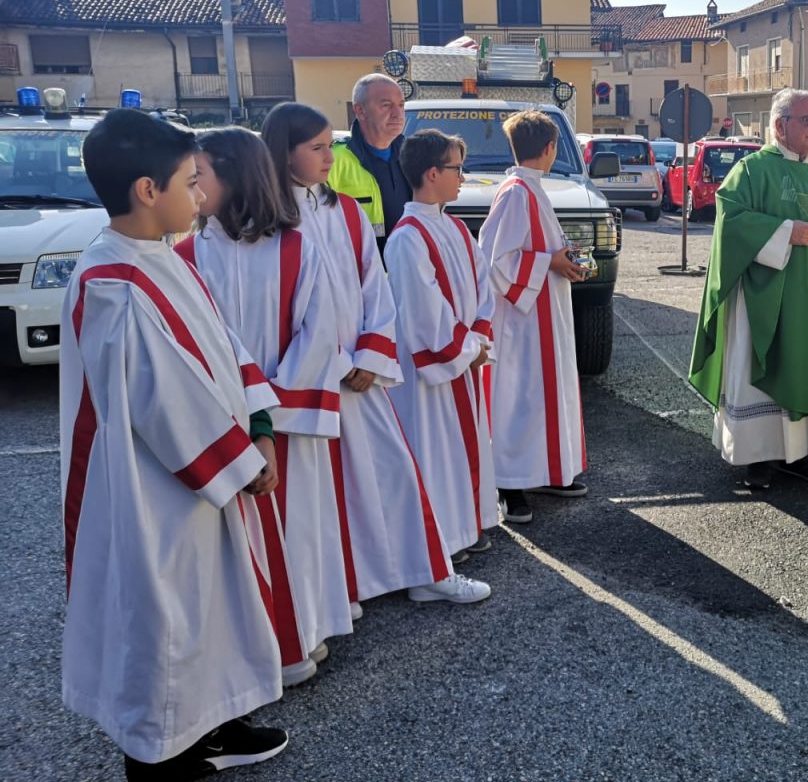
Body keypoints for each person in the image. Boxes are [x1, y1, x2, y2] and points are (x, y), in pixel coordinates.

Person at [61, 108, 288, 780]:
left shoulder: (158, 255)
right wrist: (245, 463)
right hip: (157, 489)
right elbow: (168, 404)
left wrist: (262, 422)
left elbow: (221, 346)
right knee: (168, 618)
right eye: (191, 182)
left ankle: (211, 724)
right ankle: (163, 754)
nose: (201, 195)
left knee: (209, 606)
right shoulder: (114, 284)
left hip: (200, 479)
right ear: (146, 191)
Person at [262, 102, 490, 609]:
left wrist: (370, 351)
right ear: (284, 151)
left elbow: (375, 288)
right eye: (317, 148)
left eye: (329, 145)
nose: (329, 157)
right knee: (320, 491)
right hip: (306, 378)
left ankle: (425, 571)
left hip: (360, 373)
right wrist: (332, 362)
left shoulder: (346, 211)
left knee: (392, 473)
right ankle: (337, 591)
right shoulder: (268, 219)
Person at [176, 127, 352, 688]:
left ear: (236, 175)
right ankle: (258, 649)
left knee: (297, 529)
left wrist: (269, 414)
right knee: (238, 543)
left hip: (285, 424)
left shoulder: (297, 246)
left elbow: (322, 329)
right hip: (227, 429)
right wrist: (243, 419)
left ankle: (303, 630)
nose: (195, 186)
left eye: (200, 174)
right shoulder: (184, 254)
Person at [689, 88, 808, 489]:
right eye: (807, 120)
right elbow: (730, 224)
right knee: (758, 369)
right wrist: (785, 232)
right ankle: (758, 456)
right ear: (780, 125)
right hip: (767, 296)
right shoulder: (751, 171)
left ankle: (803, 454)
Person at [386, 129, 499, 564]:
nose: (462, 177)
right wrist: (470, 347)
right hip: (431, 373)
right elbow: (422, 313)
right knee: (435, 453)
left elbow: (482, 286)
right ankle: (443, 539)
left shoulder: (453, 226)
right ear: (432, 173)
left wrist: (479, 338)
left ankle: (469, 524)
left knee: (462, 448)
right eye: (456, 169)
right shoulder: (407, 237)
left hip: (464, 360)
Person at [479, 109, 589, 524]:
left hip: (545, 315)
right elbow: (497, 260)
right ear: (550, 149)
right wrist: (550, 262)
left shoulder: (531, 189)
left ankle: (545, 472)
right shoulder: (514, 193)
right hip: (522, 324)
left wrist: (564, 261)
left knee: (544, 398)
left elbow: (539, 250)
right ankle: (509, 485)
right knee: (518, 400)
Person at [329, 73, 412, 251]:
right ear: (360, 110)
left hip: (406, 270)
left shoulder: (412, 154)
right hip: (357, 273)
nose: (397, 114)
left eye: (401, 105)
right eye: (386, 105)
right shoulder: (333, 160)